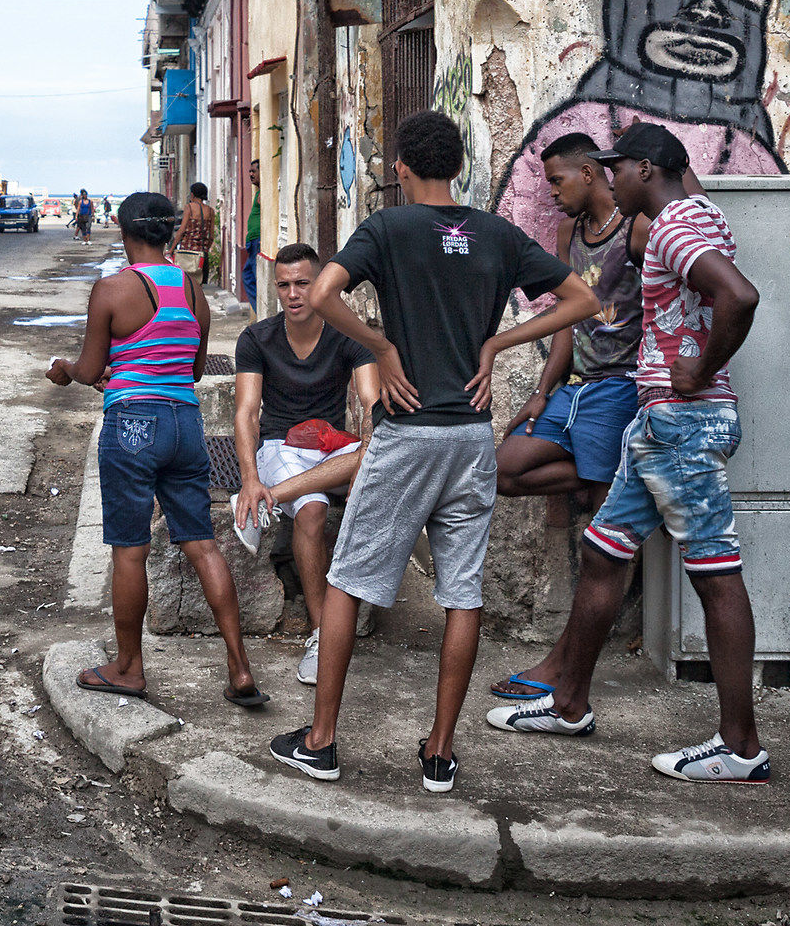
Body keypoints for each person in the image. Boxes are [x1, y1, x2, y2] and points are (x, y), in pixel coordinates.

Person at [266, 110, 598, 797]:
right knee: (462, 593)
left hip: (408, 433)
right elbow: (582, 297)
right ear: (459, 167)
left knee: (348, 582)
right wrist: (497, 345)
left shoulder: (386, 229)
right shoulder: (499, 235)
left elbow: (324, 294)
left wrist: (383, 348)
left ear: (402, 169)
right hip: (472, 438)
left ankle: (321, 742)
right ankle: (441, 754)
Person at [486, 123, 768, 784]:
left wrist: (698, 369)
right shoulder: (702, 213)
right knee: (604, 550)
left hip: (682, 422)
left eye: (621, 169)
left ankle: (741, 745)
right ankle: (569, 705)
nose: (612, 179)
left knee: (715, 571)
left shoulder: (668, 227)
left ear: (647, 168)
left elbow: (740, 296)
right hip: (658, 425)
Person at [47, 191, 263, 712]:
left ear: (124, 235)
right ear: (169, 233)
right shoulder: (193, 290)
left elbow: (88, 364)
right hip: (184, 424)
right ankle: (239, 668)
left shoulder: (112, 289)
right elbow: (189, 369)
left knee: (130, 549)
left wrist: (65, 372)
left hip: (133, 426)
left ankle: (128, 667)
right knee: (202, 542)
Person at [489, 133, 649, 702]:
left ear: (589, 171)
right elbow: (566, 315)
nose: (551, 192)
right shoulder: (567, 234)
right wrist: (541, 389)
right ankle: (594, 476)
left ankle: (602, 482)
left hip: (621, 387)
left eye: (557, 180)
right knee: (503, 469)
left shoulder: (637, 229)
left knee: (603, 532)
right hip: (576, 388)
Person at [231, 243, 379, 687]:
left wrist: (365, 460)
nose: (293, 294)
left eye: (303, 283)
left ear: (321, 285)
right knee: (312, 509)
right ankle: (320, 635)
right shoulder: (257, 338)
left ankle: (271, 499)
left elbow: (371, 406)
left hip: (330, 447)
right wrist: (249, 476)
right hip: (280, 445)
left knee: (378, 450)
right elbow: (246, 413)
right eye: (284, 285)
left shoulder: (348, 336)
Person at [172, 181, 217, 280]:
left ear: (192, 194)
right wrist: (205, 249)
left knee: (186, 281)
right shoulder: (210, 211)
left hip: (188, 253)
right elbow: (211, 236)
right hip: (202, 254)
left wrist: (172, 249)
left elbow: (182, 230)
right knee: (199, 282)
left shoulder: (189, 208)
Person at [240, 166, 262, 309]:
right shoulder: (258, 192)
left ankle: (260, 311)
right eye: (250, 171)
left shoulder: (263, 192)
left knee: (252, 276)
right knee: (248, 275)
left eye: (254, 171)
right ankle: (258, 310)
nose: (250, 174)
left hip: (257, 240)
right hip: (253, 241)